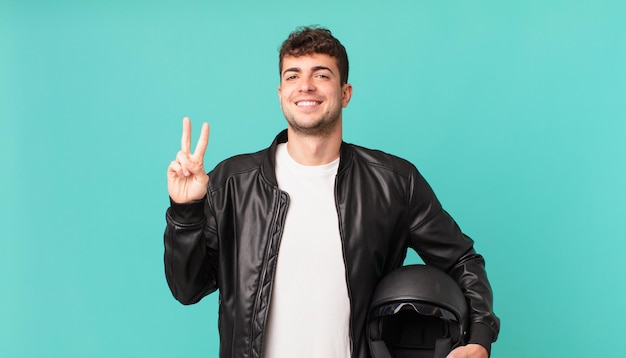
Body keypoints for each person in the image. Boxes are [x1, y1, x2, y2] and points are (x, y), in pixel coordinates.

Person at [164, 26, 500, 358]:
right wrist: (185, 212)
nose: (305, 86)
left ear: (345, 92)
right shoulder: (233, 182)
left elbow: (462, 260)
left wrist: (479, 338)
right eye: (293, 76)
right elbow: (187, 288)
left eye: (321, 75)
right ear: (280, 93)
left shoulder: (394, 182)